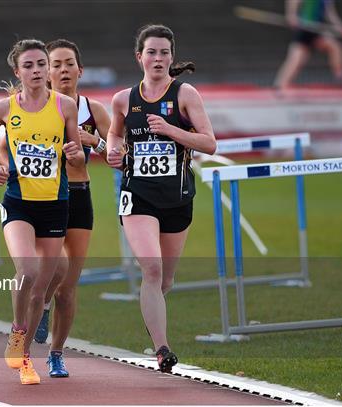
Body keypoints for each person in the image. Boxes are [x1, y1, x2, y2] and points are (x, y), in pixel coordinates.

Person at [0, 38, 84, 385]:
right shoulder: (4, 109)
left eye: (41, 65)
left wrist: (75, 152)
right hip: (18, 203)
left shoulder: (65, 106)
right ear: (17, 71)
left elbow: (76, 152)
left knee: (41, 288)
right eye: (30, 66)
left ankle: (25, 361)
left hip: (54, 205)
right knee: (27, 271)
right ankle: (17, 333)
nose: (37, 71)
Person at [0, 38, 110, 378]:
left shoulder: (92, 110)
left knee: (68, 284)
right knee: (41, 275)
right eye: (55, 64)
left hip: (78, 195)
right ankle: (32, 323)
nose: (61, 70)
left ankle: (57, 353)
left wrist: (94, 142)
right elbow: (4, 148)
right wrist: (7, 167)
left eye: (67, 63)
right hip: (37, 196)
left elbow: (120, 155)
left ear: (79, 70)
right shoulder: (38, 108)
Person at [106, 24, 216, 373]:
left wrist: (170, 130)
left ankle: (152, 319)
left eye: (164, 52)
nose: (158, 58)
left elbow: (209, 143)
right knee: (150, 268)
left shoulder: (185, 95)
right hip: (137, 195)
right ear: (139, 57)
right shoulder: (124, 99)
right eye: (151, 52)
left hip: (178, 197)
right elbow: (113, 132)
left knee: (165, 280)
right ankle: (162, 349)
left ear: (172, 57)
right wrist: (112, 149)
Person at [274, 0, 342, 90]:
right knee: (297, 59)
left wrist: (339, 26)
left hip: (317, 31)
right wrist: (291, 15)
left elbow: (330, 13)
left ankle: (341, 79)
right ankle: (280, 85)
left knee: (335, 48)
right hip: (304, 30)